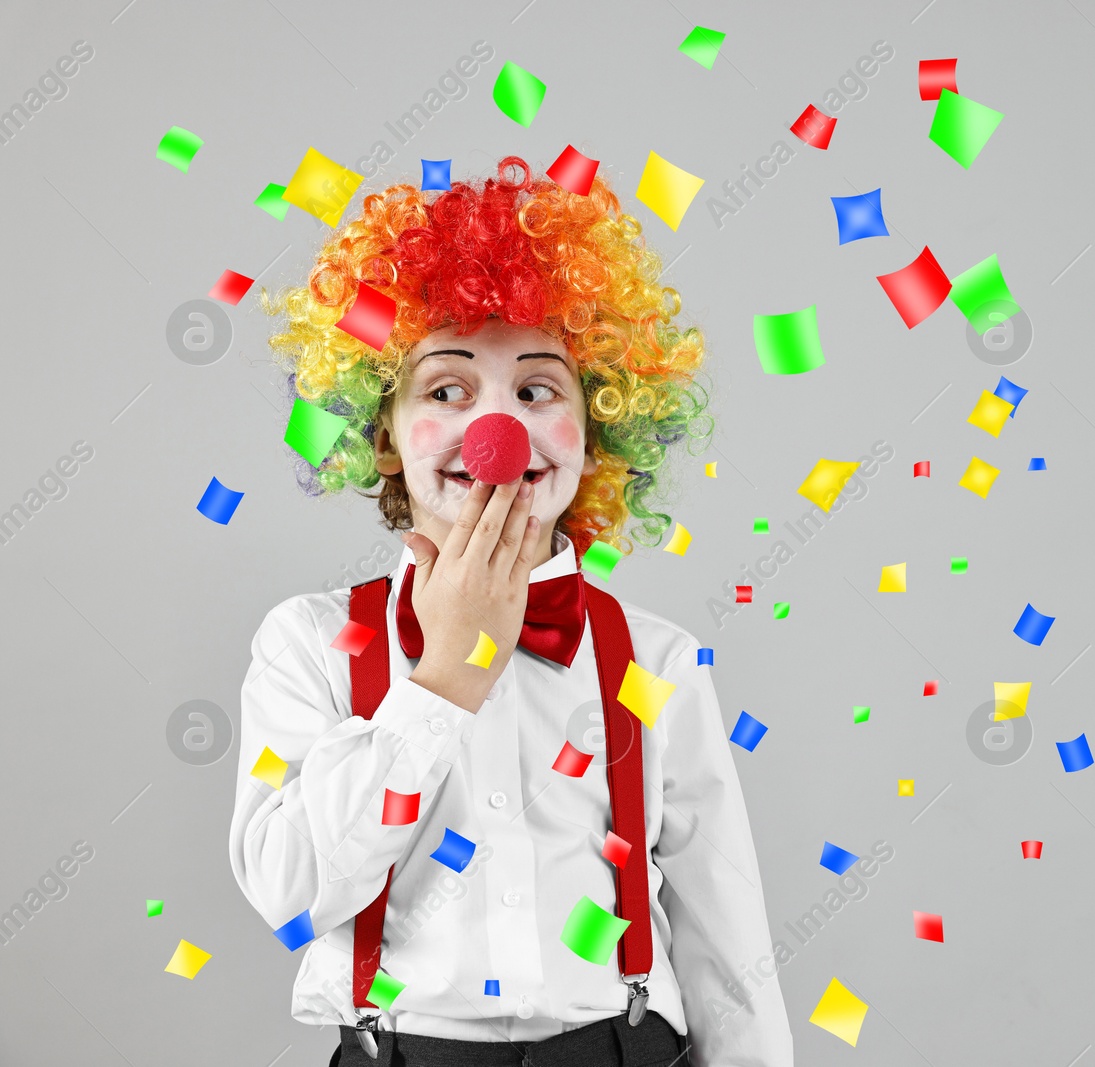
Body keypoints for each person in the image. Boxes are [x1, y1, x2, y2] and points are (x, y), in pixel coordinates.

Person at [230, 156, 793, 1066]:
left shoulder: (657, 658)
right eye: (447, 389)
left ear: (597, 429)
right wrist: (443, 677)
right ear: (381, 437)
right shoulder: (310, 644)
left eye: (537, 390)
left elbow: (730, 944)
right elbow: (291, 893)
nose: (498, 432)